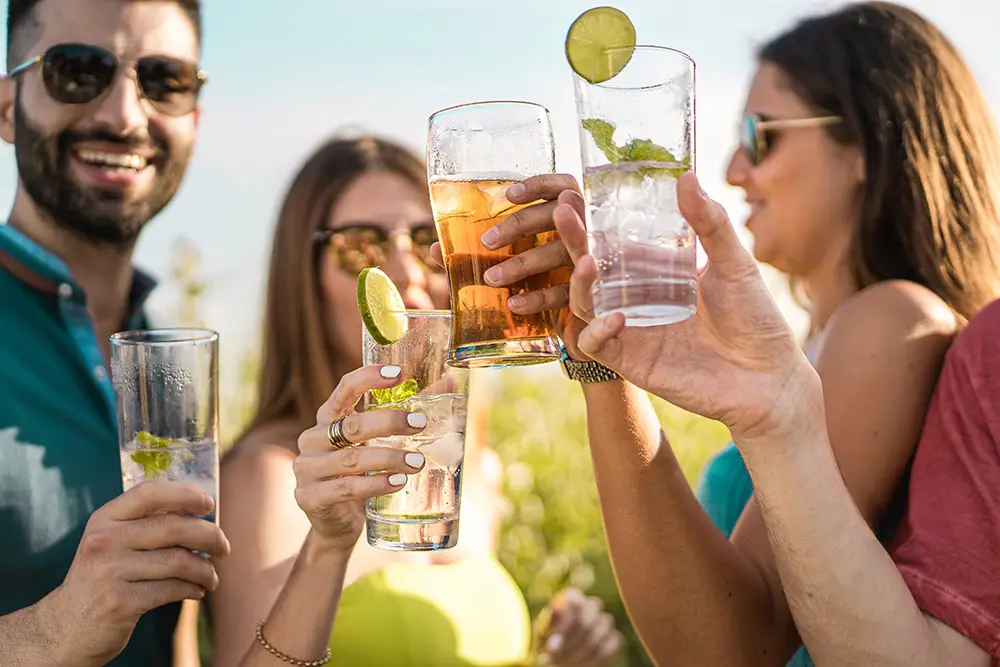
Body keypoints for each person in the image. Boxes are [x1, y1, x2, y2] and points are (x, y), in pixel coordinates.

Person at [464, 2, 1000, 664]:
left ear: (867, 145)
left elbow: (730, 645)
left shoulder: (891, 317)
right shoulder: (820, 339)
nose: (733, 168)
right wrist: (598, 361)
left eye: (761, 134)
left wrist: (608, 373)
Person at [209, 135, 622, 667]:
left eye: (427, 239)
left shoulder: (469, 461)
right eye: (361, 246)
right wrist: (326, 549)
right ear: (302, 279)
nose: (406, 274)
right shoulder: (268, 478)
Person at [0, 0, 229, 665]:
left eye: (165, 80)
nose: (125, 116)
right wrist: (51, 631)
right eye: (77, 71)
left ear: (194, 116)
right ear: (8, 108)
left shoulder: (165, 348)